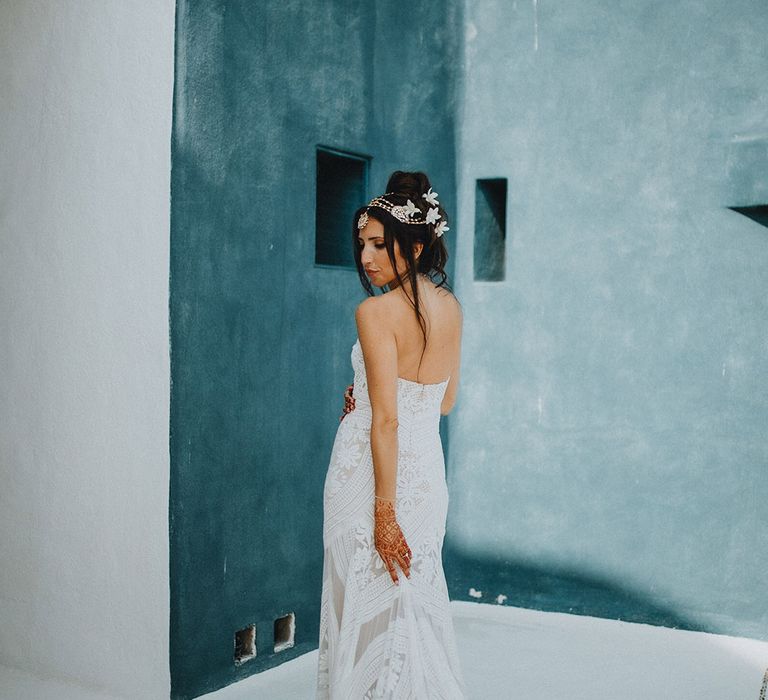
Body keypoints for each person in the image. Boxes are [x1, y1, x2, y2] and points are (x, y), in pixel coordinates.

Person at [316, 171, 467, 699]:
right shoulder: (451, 308)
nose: (367, 257)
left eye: (380, 244)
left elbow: (385, 420)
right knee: (412, 608)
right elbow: (444, 402)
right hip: (427, 476)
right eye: (361, 244)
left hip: (373, 478)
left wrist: (384, 513)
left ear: (418, 244)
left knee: (366, 602)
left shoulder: (375, 312)